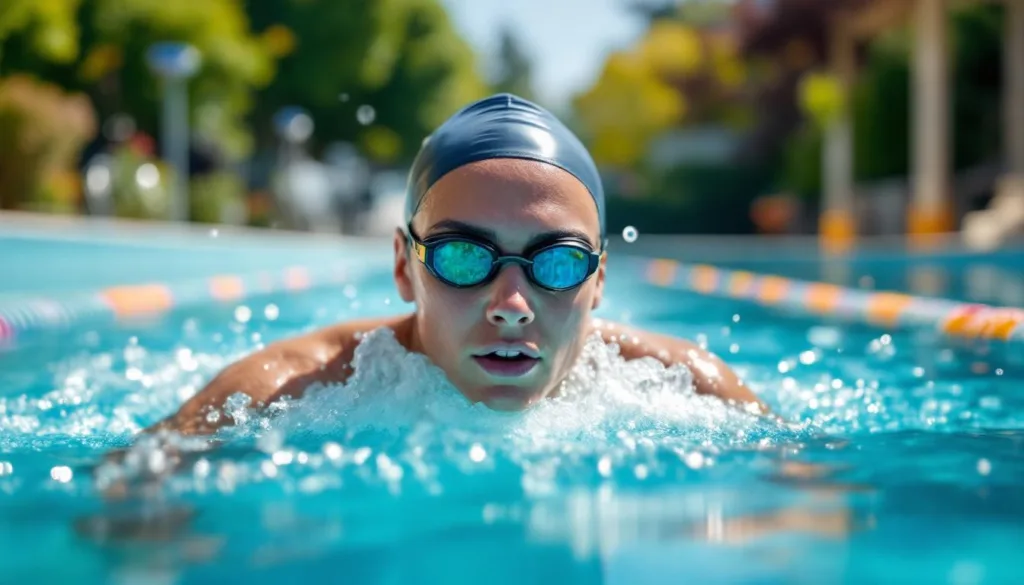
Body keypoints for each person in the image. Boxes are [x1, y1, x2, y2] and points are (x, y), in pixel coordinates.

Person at [151, 93, 766, 437]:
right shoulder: (274, 394)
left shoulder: (690, 388)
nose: (511, 306)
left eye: (557, 262)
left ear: (599, 279)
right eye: (464, 257)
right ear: (404, 266)